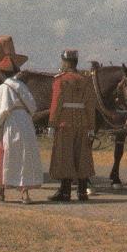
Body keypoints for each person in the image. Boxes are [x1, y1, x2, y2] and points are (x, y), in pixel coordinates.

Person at [0, 55, 43, 204]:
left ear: (1, 73)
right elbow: (33, 107)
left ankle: (0, 191)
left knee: (4, 155)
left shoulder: (2, 88)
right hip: (26, 123)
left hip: (11, 123)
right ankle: (25, 195)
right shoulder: (22, 86)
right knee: (24, 158)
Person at [47, 50, 97, 202]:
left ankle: (65, 191)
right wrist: (91, 127)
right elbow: (90, 106)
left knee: (65, 156)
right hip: (82, 123)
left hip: (65, 123)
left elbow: (56, 104)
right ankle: (82, 192)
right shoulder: (85, 80)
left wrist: (52, 123)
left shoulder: (60, 80)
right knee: (82, 156)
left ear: (66, 62)